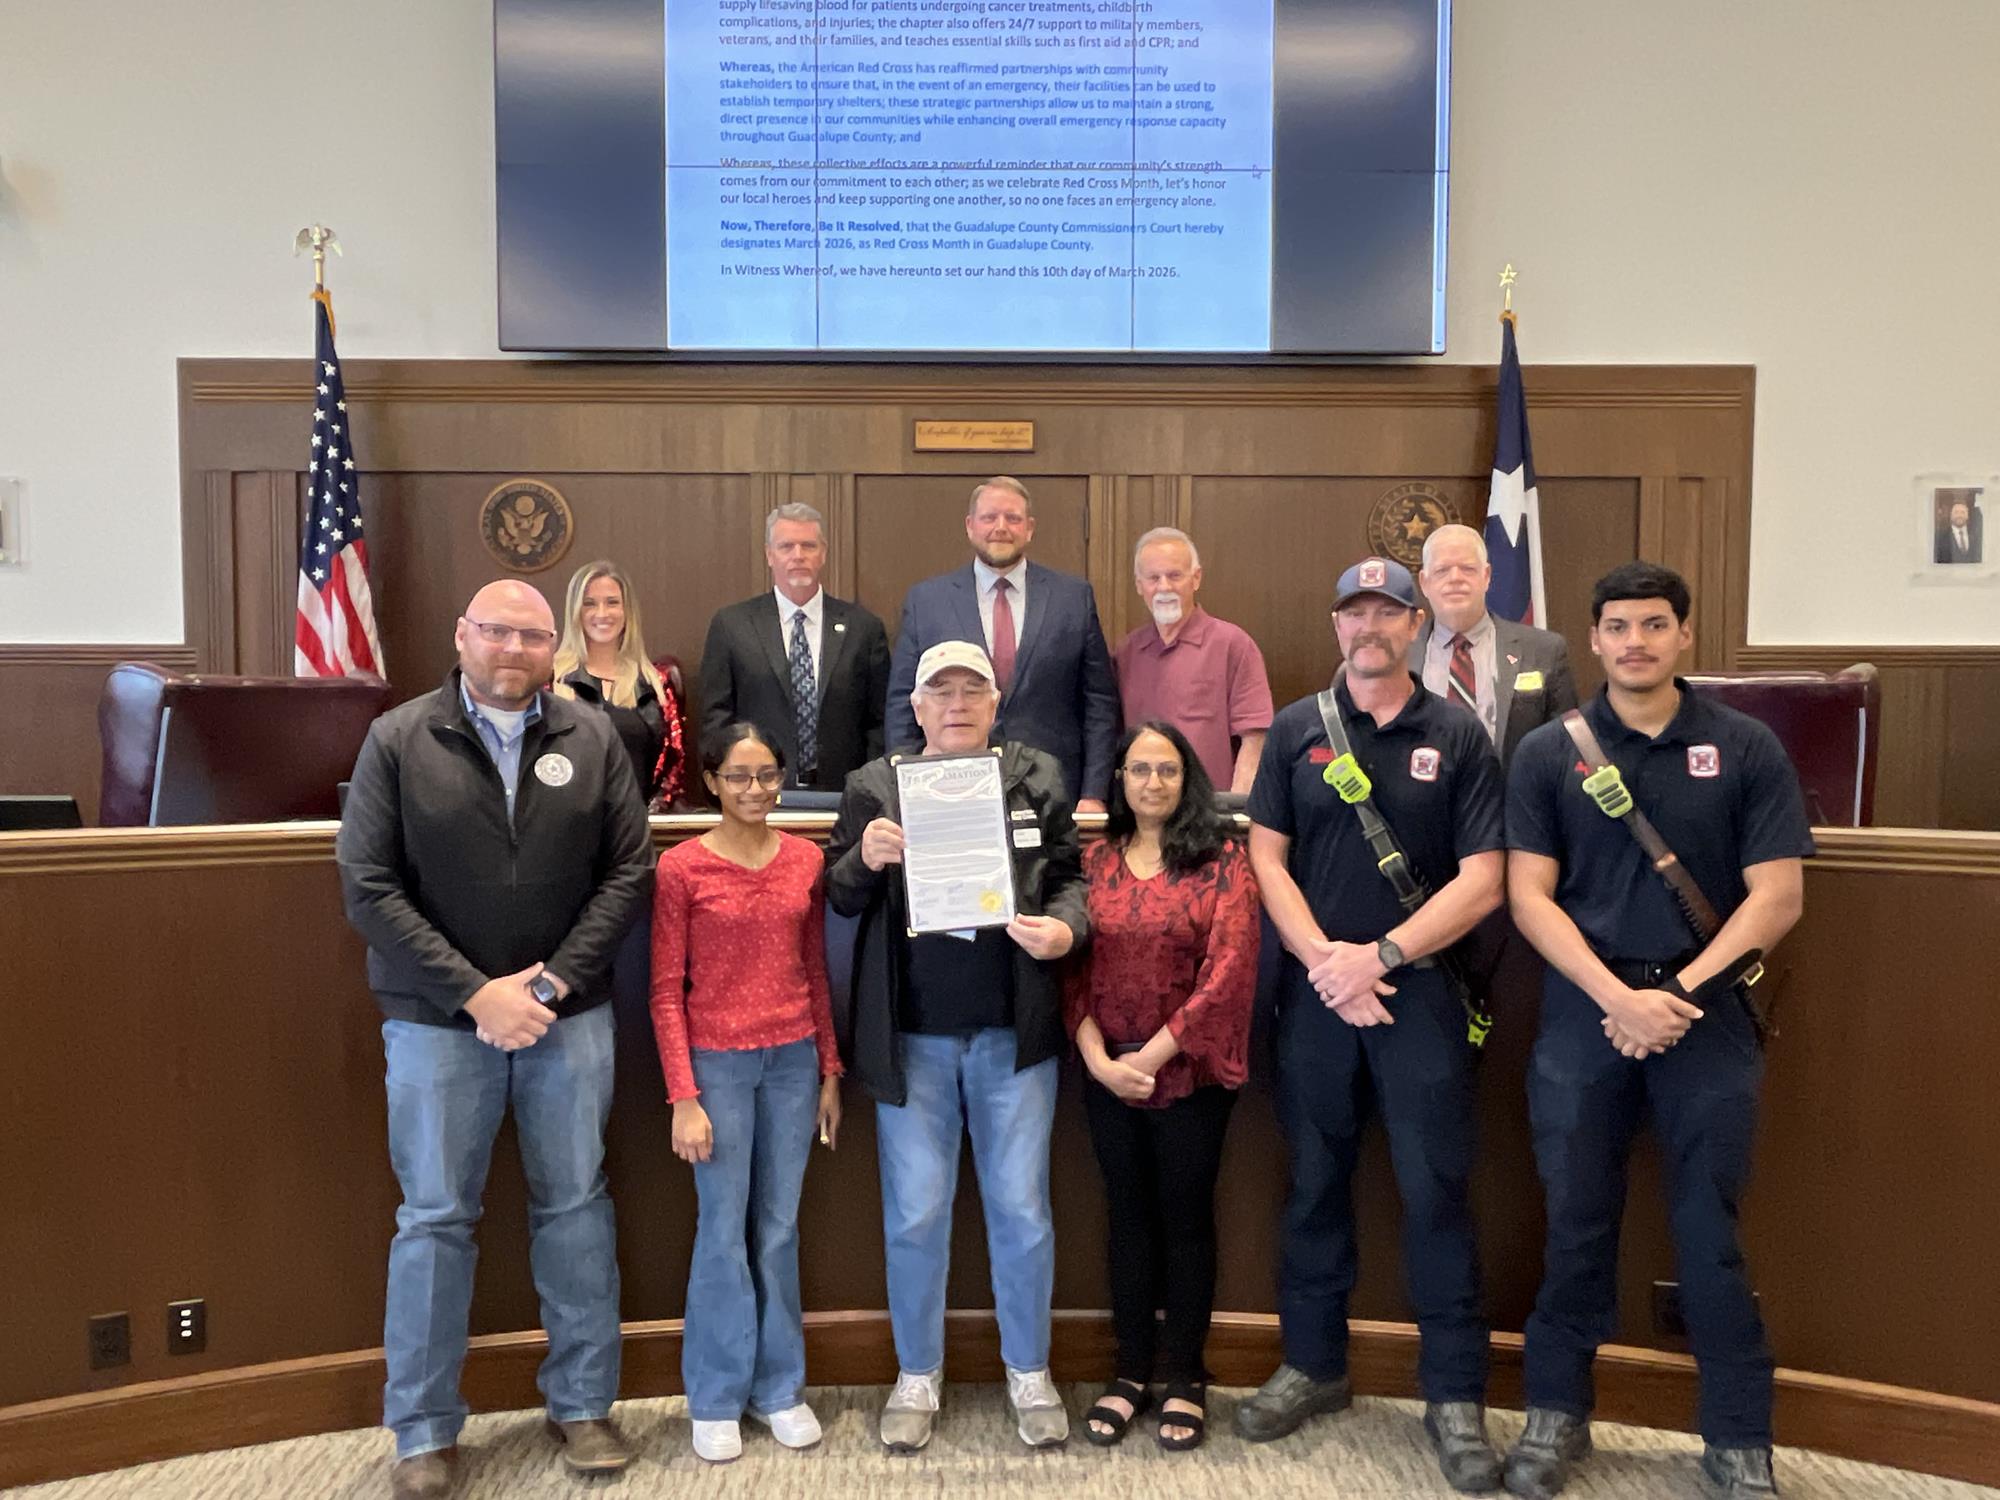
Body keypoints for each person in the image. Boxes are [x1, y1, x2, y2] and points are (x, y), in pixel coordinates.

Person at [335, 579, 654, 1500]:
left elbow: (628, 872)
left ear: (553, 646)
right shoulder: (398, 738)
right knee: (434, 1218)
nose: (513, 648)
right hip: (438, 1024)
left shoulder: (591, 735)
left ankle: (584, 1403)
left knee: (576, 1207)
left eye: (531, 634)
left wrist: (547, 984)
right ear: (461, 635)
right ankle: (424, 1429)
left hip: (568, 1016)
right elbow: (369, 885)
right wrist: (477, 994)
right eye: (496, 631)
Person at [1502, 562, 1812, 1500]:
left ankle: (1738, 1435)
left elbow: (1780, 896)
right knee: (1575, 1222)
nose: (1634, 641)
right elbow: (1528, 895)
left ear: (1684, 635)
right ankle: (1556, 1414)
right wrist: (1617, 998)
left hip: (1707, 1019)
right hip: (1585, 1014)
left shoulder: (1747, 746)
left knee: (1708, 1230)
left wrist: (1674, 993)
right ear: (1591, 640)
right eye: (1617, 627)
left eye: (1653, 625)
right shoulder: (1549, 752)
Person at [1237, 556, 1509, 1495]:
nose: (1370, 628)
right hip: (1317, 996)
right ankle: (1312, 1364)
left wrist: (1378, 957)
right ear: (1337, 625)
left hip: (1419, 996)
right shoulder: (1294, 731)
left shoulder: (1460, 734)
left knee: (1436, 1189)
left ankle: (1455, 1394)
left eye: (1388, 612)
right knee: (1313, 1180)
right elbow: (1267, 860)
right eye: (1355, 613)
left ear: (1417, 622)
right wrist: (1325, 961)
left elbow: (1485, 879)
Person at [826, 639, 1089, 1453]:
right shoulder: (875, 785)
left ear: (995, 701)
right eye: (940, 692)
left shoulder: (1037, 774)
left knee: (1022, 1212)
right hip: (913, 1039)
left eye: (972, 689)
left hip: (1016, 1034)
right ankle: (916, 1373)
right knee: (914, 1215)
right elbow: (835, 893)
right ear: (916, 707)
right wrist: (864, 861)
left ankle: (1030, 1371)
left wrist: (1068, 927)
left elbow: (1075, 875)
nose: (956, 704)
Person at [648, 722, 844, 1463]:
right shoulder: (682, 870)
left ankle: (780, 1388)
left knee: (779, 1230)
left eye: (767, 775)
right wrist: (683, 1094)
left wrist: (830, 1070)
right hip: (717, 1068)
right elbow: (666, 991)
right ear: (711, 781)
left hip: (793, 1061)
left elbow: (817, 972)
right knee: (722, 1233)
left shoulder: (805, 860)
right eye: (739, 776)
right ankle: (718, 1394)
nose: (755, 790)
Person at [1065, 720, 1260, 1452]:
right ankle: (1129, 1374)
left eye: (1167, 770)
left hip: (1190, 1074)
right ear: (1120, 779)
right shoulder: (1095, 861)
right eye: (1139, 769)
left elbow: (1230, 969)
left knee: (1184, 1220)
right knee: (1126, 1218)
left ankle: (1185, 1376)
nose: (1153, 782)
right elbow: (1072, 970)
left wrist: (1150, 1056)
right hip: (1105, 1072)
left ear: (1188, 781)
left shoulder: (1222, 861)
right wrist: (1097, 1057)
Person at [885, 476, 1119, 811]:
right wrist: (902, 785)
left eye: (1013, 518)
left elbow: (1098, 703)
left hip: (1052, 788)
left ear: (1030, 528)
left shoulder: (1072, 598)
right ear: (970, 526)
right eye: (989, 517)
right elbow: (902, 703)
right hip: (947, 784)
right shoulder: (927, 600)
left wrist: (1094, 793)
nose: (1001, 527)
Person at [699, 503, 893, 790]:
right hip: (757, 793)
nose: (798, 556)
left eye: (808, 546)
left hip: (845, 794)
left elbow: (879, 721)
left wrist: (869, 787)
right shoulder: (732, 625)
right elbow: (716, 720)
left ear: (823, 553)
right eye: (786, 546)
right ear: (769, 555)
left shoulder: (863, 628)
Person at [1112, 527, 1273, 794]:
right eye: (1153, 578)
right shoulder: (1127, 652)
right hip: (1143, 812)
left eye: (1175, 575)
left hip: (1211, 815)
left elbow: (1254, 741)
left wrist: (1237, 814)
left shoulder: (1234, 645)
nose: (1164, 587)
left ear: (1196, 578)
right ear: (1140, 586)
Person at [1413, 523, 1577, 771]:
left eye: (1467, 568)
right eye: (1442, 570)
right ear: (1424, 583)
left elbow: (1565, 744)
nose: (1455, 578)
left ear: (1486, 576)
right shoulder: (1399, 653)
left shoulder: (1543, 650)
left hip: (1511, 802)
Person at [550, 559, 690, 807]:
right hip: (571, 826)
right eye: (589, 604)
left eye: (612, 602)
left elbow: (674, 769)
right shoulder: (550, 681)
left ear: (627, 611)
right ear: (575, 612)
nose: (602, 613)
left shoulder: (656, 683)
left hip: (640, 828)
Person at [1934, 494, 1984, 564]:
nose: (1959, 516)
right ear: (1950, 515)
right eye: (1956, 512)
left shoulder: (1977, 535)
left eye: (1963, 512)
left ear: (1967, 515)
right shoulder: (1940, 537)